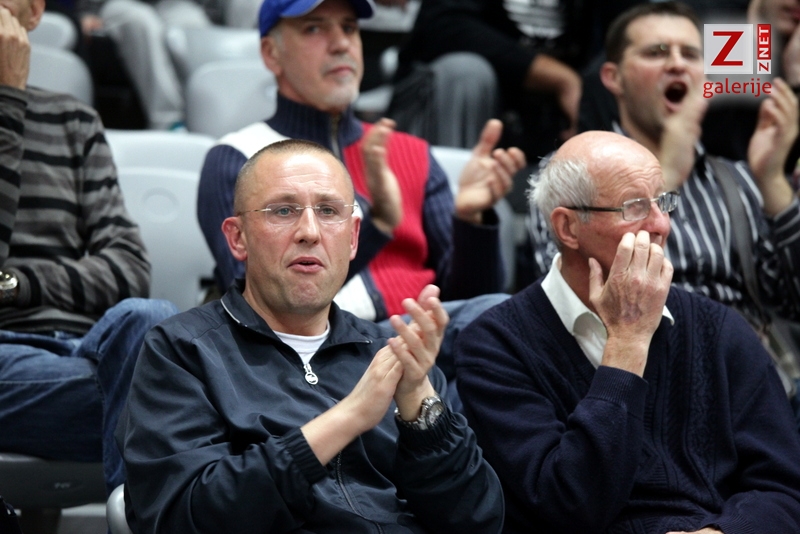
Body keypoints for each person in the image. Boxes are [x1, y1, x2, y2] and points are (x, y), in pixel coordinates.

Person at [119, 139, 504, 533]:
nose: (309, 231)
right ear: (237, 238)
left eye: (328, 211)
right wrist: (348, 417)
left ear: (353, 238)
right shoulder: (182, 350)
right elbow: (181, 516)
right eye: (283, 211)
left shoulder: (395, 357)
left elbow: (479, 521)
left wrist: (420, 405)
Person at [455, 130, 800, 533]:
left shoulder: (719, 329)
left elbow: (785, 488)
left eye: (663, 201)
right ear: (568, 228)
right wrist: (627, 343)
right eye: (635, 207)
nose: (661, 225)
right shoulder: (494, 346)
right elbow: (569, 504)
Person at [197, 0, 526, 407]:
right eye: (315, 28)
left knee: (496, 328)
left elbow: (472, 297)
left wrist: (471, 222)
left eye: (349, 28)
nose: (341, 44)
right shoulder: (239, 158)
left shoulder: (409, 153)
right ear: (271, 54)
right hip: (311, 354)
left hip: (424, 343)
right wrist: (379, 224)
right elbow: (260, 304)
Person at [527, 2, 800, 377]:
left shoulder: (739, 178)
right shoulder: (567, 175)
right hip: (638, 370)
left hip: (746, 375)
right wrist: (665, 175)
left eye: (690, 54)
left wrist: (771, 181)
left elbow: (793, 304)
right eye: (656, 52)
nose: (676, 64)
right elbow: (571, 303)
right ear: (613, 78)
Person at [0, 0, 177, 498]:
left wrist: (18, 284)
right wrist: (7, 106)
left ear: (34, 13)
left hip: (88, 351)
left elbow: (129, 268)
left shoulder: (73, 120)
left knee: (150, 317)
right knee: (167, 396)